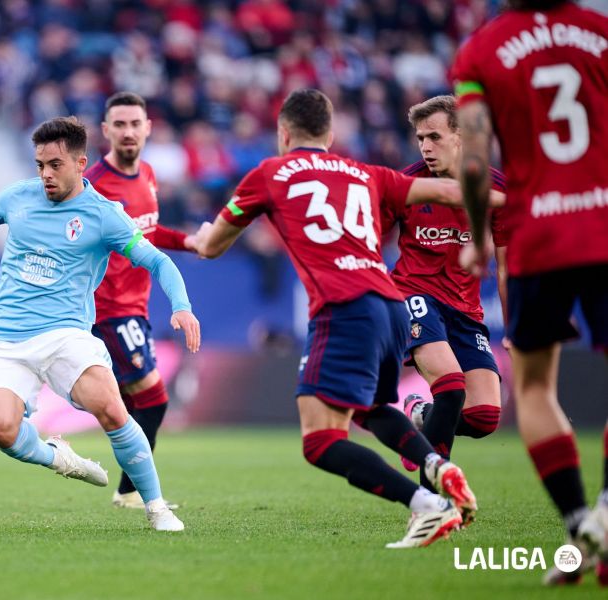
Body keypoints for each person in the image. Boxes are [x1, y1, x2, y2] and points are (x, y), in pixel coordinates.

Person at [195, 88, 480, 548]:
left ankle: (428, 506)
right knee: (370, 409)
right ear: (330, 134)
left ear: (283, 133)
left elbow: (210, 248)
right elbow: (450, 189)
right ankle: (440, 468)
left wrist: (201, 236)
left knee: (319, 440)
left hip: (343, 307)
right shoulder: (364, 172)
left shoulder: (270, 172)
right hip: (392, 306)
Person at [0, 116, 201, 532]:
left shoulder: (104, 215)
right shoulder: (19, 197)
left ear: (80, 163)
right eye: (40, 164)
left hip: (66, 336)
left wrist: (181, 306)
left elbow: (157, 259)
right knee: (1, 429)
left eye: (55, 164)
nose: (45, 174)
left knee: (112, 409)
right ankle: (60, 458)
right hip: (5, 340)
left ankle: (156, 507)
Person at [453, 0, 608, 585]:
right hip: (605, 227)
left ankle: (579, 525)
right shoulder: (600, 32)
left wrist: (477, 238)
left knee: (537, 387)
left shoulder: (481, 51)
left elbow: (473, 163)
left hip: (539, 238)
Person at [381, 95, 508, 479]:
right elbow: (368, 241)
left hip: (465, 310)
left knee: (484, 416)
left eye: (434, 137)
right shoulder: (406, 183)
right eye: (420, 138)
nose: (425, 147)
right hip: (413, 296)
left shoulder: (494, 189)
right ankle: (434, 497)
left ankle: (419, 418)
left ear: (461, 136)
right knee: (451, 385)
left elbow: (506, 266)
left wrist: (517, 328)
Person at [87, 92, 201, 510]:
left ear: (148, 127)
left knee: (131, 400)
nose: (129, 131)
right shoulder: (95, 185)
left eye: (135, 123)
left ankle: (126, 490)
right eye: (119, 124)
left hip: (136, 306)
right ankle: (131, 491)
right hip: (107, 309)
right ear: (106, 131)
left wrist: (189, 240)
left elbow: (148, 234)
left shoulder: (149, 174)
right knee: (153, 398)